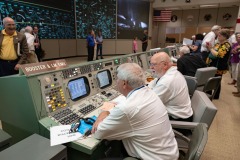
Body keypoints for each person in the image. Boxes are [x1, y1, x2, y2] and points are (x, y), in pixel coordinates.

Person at [92, 63, 179, 160]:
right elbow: (127, 101)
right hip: (168, 152)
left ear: (124, 83)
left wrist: (104, 112)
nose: (116, 82)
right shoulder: (149, 92)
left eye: (117, 79)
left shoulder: (126, 109)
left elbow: (98, 133)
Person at [148, 52, 193, 122]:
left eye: (154, 64)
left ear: (165, 65)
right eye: (150, 64)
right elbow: (154, 81)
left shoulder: (167, 81)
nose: (151, 67)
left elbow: (149, 103)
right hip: (181, 115)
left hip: (178, 122)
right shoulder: (173, 72)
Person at [206, 29, 231, 99]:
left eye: (220, 35)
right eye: (218, 35)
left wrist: (211, 48)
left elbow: (219, 54)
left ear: (225, 36)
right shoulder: (218, 44)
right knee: (210, 79)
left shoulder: (226, 45)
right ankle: (209, 93)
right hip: (212, 64)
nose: (218, 36)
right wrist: (210, 48)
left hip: (219, 66)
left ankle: (215, 96)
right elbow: (212, 52)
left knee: (216, 81)